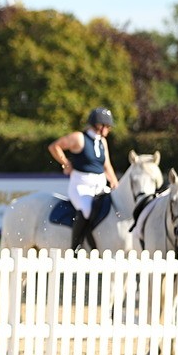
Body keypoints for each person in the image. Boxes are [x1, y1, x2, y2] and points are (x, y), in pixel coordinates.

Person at [47, 107, 119, 250]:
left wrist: (115, 183)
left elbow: (107, 166)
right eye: (107, 126)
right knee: (86, 209)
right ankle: (76, 246)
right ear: (98, 125)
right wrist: (65, 163)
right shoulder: (79, 138)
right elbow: (54, 147)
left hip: (100, 185)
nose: (109, 129)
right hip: (81, 185)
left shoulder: (102, 142)